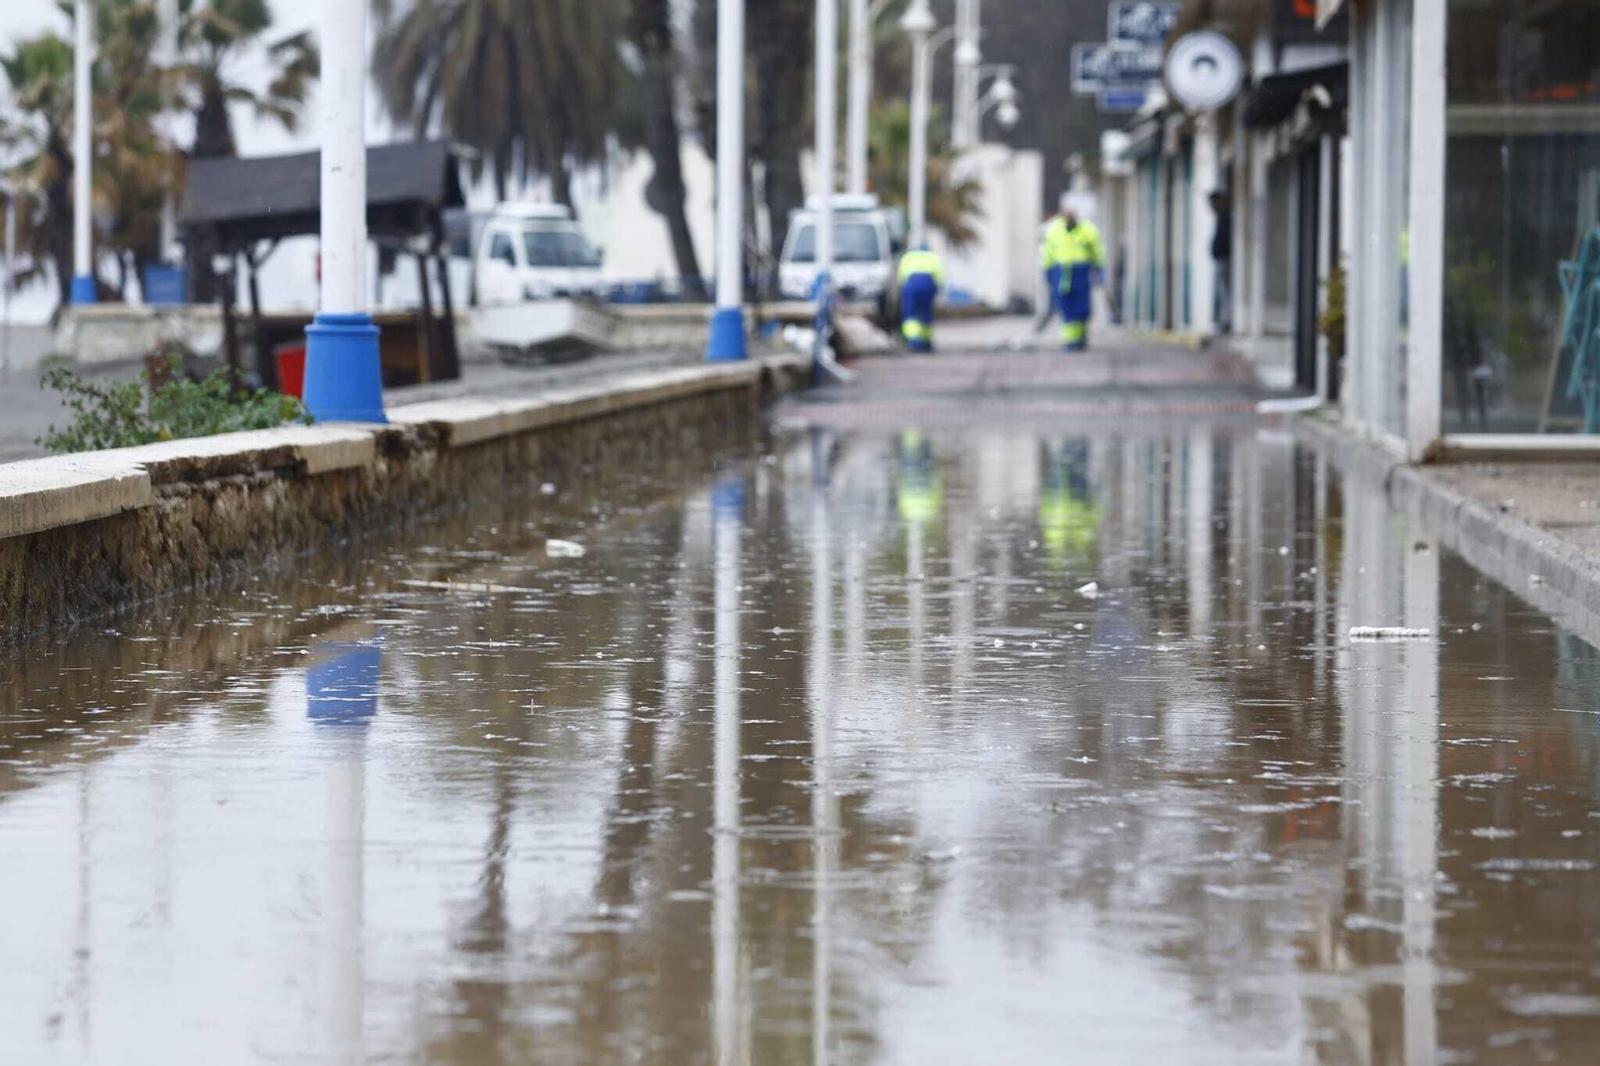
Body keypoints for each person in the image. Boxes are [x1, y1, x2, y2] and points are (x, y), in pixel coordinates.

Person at [1050, 198, 1106, 351]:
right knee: (1067, 308)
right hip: (1062, 273)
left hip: (1081, 273)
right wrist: (1048, 273)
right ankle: (1071, 341)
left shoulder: (1087, 230)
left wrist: (1099, 269)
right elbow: (1047, 253)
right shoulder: (1054, 230)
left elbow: (1097, 251)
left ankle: (1080, 337)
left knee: (1082, 309)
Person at [897, 245, 944, 353]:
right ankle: (926, 341)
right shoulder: (932, 257)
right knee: (926, 313)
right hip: (928, 285)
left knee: (911, 314)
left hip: (911, 286)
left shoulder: (908, 256)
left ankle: (913, 340)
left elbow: (901, 277)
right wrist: (936, 289)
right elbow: (939, 276)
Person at [1034, 211, 1066, 335]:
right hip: (1056, 267)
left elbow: (1047, 253)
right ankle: (1042, 327)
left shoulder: (1050, 228)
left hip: (1053, 268)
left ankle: (1041, 327)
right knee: (1055, 301)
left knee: (1053, 301)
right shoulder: (1053, 228)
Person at [1209, 190, 1232, 333]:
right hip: (1221, 258)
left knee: (1225, 290)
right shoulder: (1221, 216)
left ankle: (1226, 320)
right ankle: (1224, 319)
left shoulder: (1225, 216)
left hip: (1224, 258)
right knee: (1222, 290)